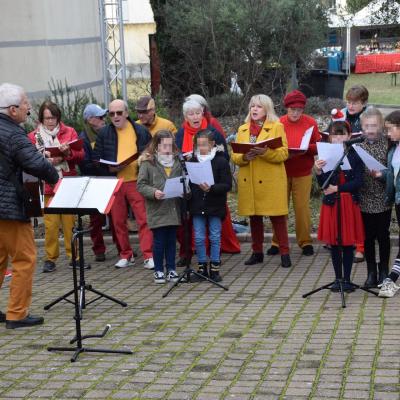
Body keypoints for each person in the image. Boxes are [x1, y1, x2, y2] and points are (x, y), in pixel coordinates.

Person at [0, 83, 58, 328]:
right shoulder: (13, 133)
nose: (29, 107)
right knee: (24, 258)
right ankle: (17, 314)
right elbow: (36, 164)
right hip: (10, 207)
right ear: (13, 109)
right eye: (25, 103)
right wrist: (57, 178)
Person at [231, 94, 291, 268]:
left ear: (267, 109)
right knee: (254, 218)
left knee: (278, 218)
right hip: (250, 180)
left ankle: (285, 253)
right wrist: (245, 156)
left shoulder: (276, 127)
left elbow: (283, 154)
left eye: (258, 106)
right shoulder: (242, 129)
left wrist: (264, 152)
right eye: (252, 106)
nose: (254, 109)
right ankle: (257, 253)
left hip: (271, 181)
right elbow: (235, 156)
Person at [93, 99, 154, 269]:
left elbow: (150, 153)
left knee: (143, 219)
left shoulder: (140, 131)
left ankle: (148, 255)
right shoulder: (104, 133)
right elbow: (96, 159)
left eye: (119, 112)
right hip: (115, 182)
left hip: (136, 180)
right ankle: (125, 255)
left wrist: (143, 162)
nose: (115, 116)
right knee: (118, 221)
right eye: (111, 113)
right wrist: (109, 169)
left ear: (127, 113)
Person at [28, 101, 84, 273]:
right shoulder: (33, 136)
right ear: (41, 119)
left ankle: (74, 257)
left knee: (70, 223)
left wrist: (66, 154)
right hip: (46, 185)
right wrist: (45, 160)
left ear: (58, 117)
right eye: (46, 118)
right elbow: (28, 159)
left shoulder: (70, 131)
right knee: (50, 226)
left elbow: (80, 155)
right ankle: (50, 258)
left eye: (53, 118)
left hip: (66, 183)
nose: (50, 121)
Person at [267, 90, 320, 257]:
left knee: (302, 208)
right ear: (286, 108)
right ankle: (277, 242)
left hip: (303, 172)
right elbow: (272, 146)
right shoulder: (279, 123)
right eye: (292, 109)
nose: (296, 112)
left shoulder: (310, 123)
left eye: (299, 109)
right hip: (281, 172)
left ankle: (305, 242)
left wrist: (305, 150)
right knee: (279, 208)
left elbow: (318, 146)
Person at [315, 120, 365, 292]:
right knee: (335, 243)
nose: (338, 137)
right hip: (331, 204)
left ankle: (347, 279)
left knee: (347, 243)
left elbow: (359, 181)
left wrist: (338, 188)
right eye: (334, 134)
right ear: (330, 137)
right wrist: (319, 172)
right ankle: (337, 278)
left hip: (348, 202)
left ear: (349, 136)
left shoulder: (355, 155)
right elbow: (323, 184)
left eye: (342, 134)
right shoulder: (325, 155)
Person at [137, 130, 182, 284]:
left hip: (173, 208)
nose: (168, 149)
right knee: (159, 241)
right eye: (164, 146)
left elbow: (182, 180)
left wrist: (183, 189)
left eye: (170, 145)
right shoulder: (148, 163)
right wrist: (153, 192)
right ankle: (158, 270)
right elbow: (141, 185)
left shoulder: (178, 161)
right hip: (157, 208)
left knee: (171, 241)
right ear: (156, 147)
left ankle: (171, 269)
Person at [189, 129, 232, 282]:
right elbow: (190, 183)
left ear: (212, 144)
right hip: (197, 206)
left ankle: (215, 268)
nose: (202, 148)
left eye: (205, 145)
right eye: (199, 145)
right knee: (199, 237)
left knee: (214, 236)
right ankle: (202, 267)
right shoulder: (193, 161)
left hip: (215, 206)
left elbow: (227, 185)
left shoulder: (220, 161)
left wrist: (212, 188)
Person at [358, 107, 391, 288]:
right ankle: (371, 271)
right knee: (367, 237)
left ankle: (384, 270)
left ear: (381, 126)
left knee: (383, 236)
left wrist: (381, 174)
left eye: (374, 125)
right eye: (367, 126)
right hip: (364, 198)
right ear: (362, 127)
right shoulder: (358, 146)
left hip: (383, 199)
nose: (370, 129)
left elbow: (393, 170)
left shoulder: (388, 145)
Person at [79, 103, 109, 262]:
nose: (104, 119)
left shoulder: (107, 133)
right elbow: (84, 164)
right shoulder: (83, 138)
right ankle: (99, 250)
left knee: (116, 216)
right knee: (96, 220)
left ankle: (122, 248)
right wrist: (103, 165)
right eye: (100, 117)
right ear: (90, 119)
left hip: (108, 179)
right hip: (92, 182)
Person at [343, 85, 369, 263]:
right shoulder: (342, 116)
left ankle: (361, 246)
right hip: (344, 164)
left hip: (363, 167)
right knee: (346, 206)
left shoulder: (368, 118)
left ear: (364, 103)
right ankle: (347, 241)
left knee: (360, 208)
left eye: (355, 103)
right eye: (349, 102)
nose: (351, 106)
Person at [376, 111, 400, 297]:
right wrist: (380, 175)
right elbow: (393, 175)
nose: (388, 134)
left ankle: (391, 279)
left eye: (390, 129)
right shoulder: (394, 149)